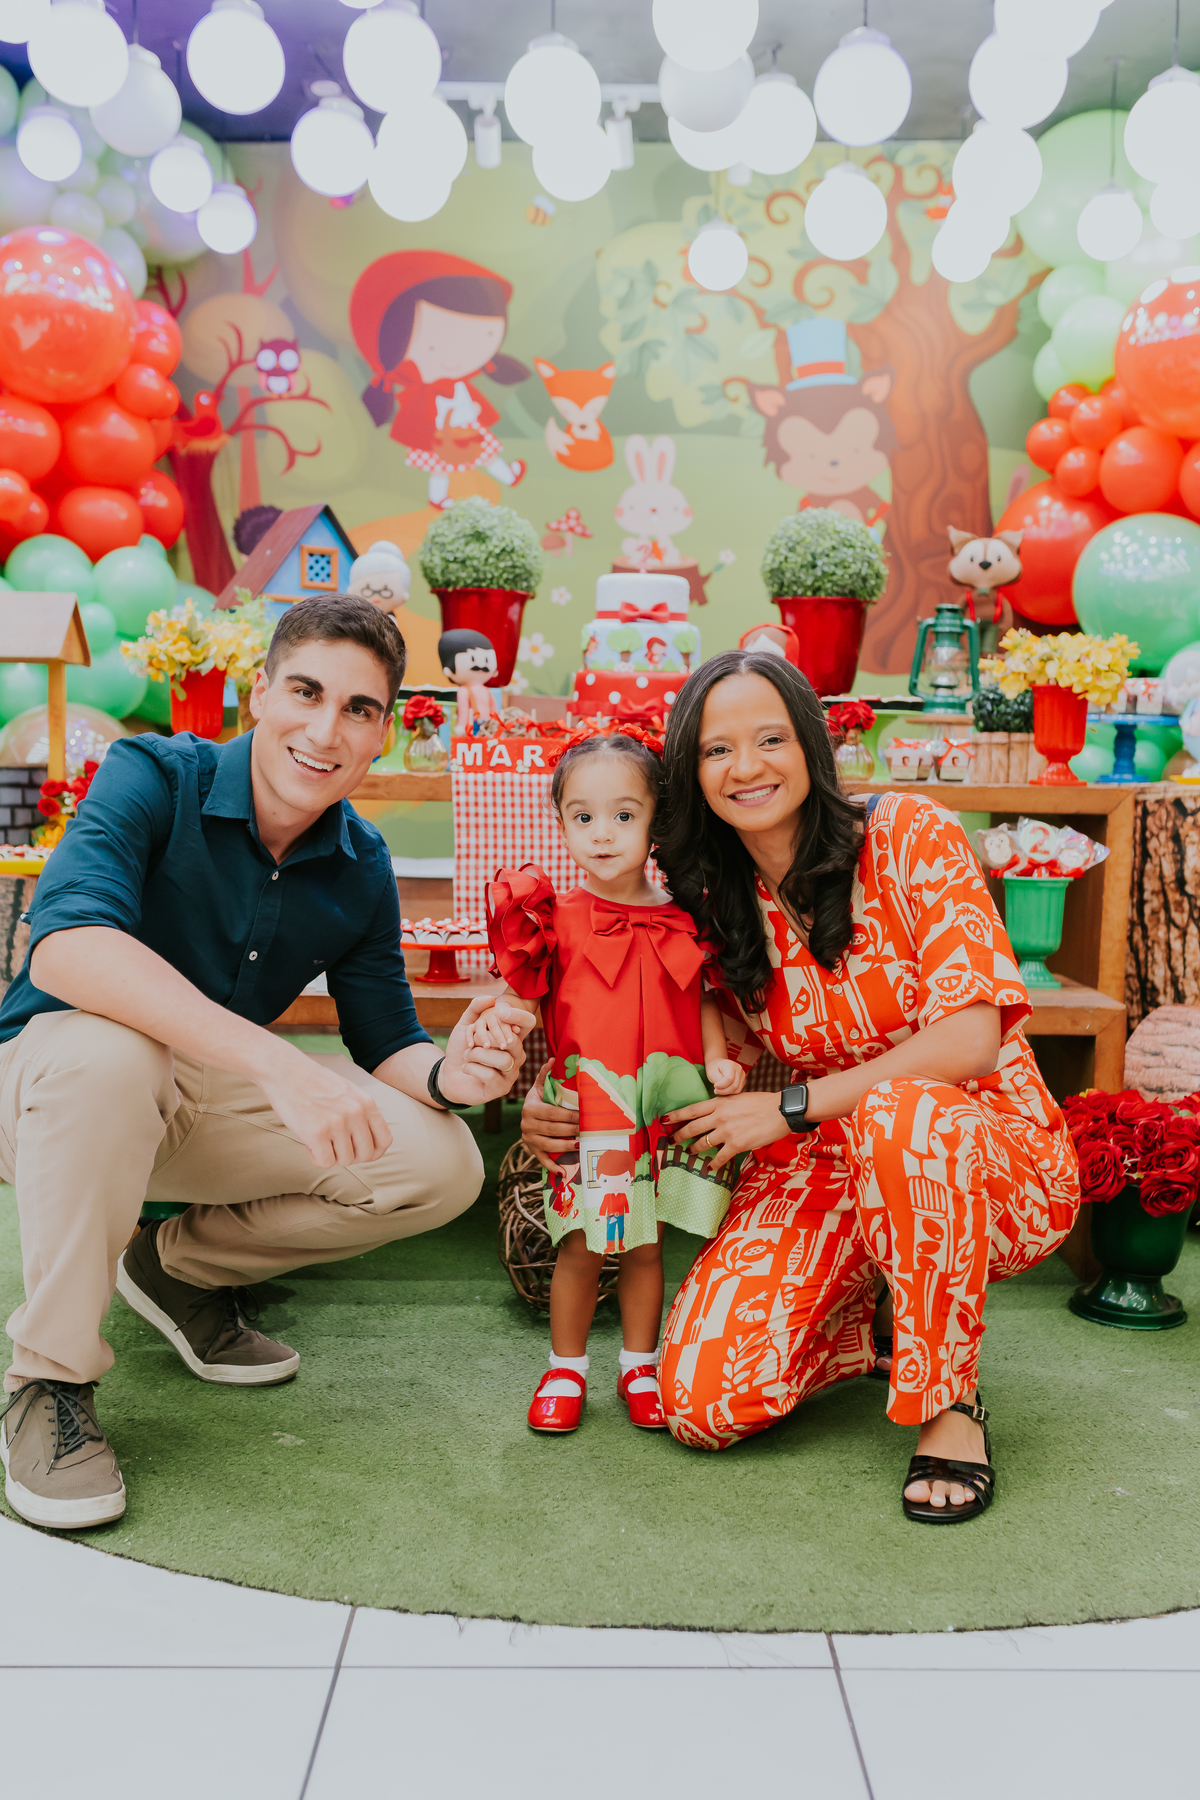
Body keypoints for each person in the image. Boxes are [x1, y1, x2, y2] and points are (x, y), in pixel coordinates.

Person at [0, 594, 534, 1532]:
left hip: (189, 1101)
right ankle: (47, 1384)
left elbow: (386, 1040)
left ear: (382, 733)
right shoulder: (152, 771)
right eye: (305, 691)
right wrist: (283, 1068)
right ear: (259, 692)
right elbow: (66, 945)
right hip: (51, 1085)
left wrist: (457, 1077)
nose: (325, 729)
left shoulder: (360, 861)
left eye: (359, 709)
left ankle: (179, 1269)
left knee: (442, 1163)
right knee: (111, 1055)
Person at [521, 651, 1080, 1522]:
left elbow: (971, 1041)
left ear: (812, 746)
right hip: (831, 1160)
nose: (745, 767)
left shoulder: (910, 835)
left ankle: (949, 1406)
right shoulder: (711, 896)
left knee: (905, 1111)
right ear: (687, 776)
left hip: (984, 1155)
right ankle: (886, 1312)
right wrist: (554, 1099)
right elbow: (669, 1040)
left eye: (770, 738)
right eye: (716, 751)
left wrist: (788, 1106)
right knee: (701, 1403)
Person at [477, 727, 743, 1435]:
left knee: (649, 1244)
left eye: (624, 815)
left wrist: (716, 1057)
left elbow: (704, 998)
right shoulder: (551, 920)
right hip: (591, 1112)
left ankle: (638, 1363)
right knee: (584, 1244)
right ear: (560, 820)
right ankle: (565, 1367)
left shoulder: (685, 919)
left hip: (662, 1109)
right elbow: (522, 1000)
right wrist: (504, 1035)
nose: (602, 834)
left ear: (657, 818)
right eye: (583, 817)